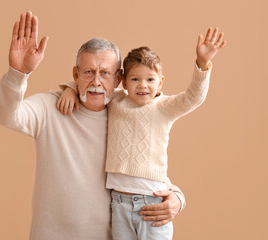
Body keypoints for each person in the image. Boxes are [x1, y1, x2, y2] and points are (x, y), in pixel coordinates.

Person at [0, 11, 186, 240]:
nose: (96, 81)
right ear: (75, 74)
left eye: (105, 73)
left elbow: (142, 169)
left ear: (117, 80)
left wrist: (177, 197)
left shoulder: (126, 115)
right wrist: (18, 73)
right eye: (88, 72)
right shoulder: (49, 107)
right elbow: (6, 115)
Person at [58, 29, 225, 239]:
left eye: (150, 79)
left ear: (160, 82)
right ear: (124, 81)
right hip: (118, 204)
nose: (143, 85)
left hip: (152, 203)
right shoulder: (116, 100)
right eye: (135, 79)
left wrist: (202, 64)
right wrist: (70, 89)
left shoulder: (164, 107)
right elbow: (95, 84)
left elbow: (194, 98)